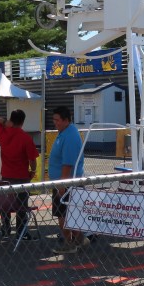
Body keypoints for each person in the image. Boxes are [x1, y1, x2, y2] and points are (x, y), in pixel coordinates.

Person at [0, 109, 39, 238]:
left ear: (10, 120)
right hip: (22, 177)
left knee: (5, 204)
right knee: (22, 206)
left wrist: (5, 122)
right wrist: (33, 171)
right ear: (23, 122)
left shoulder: (3, 133)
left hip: (6, 175)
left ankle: (6, 227)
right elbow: (32, 160)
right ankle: (21, 231)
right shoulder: (26, 138)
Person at [48, 105, 86, 254]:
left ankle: (69, 243)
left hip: (66, 183)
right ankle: (79, 239)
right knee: (69, 213)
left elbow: (68, 163)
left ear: (66, 120)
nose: (55, 122)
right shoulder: (65, 132)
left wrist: (62, 185)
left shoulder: (69, 136)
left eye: (57, 120)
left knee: (63, 214)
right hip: (65, 182)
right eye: (54, 119)